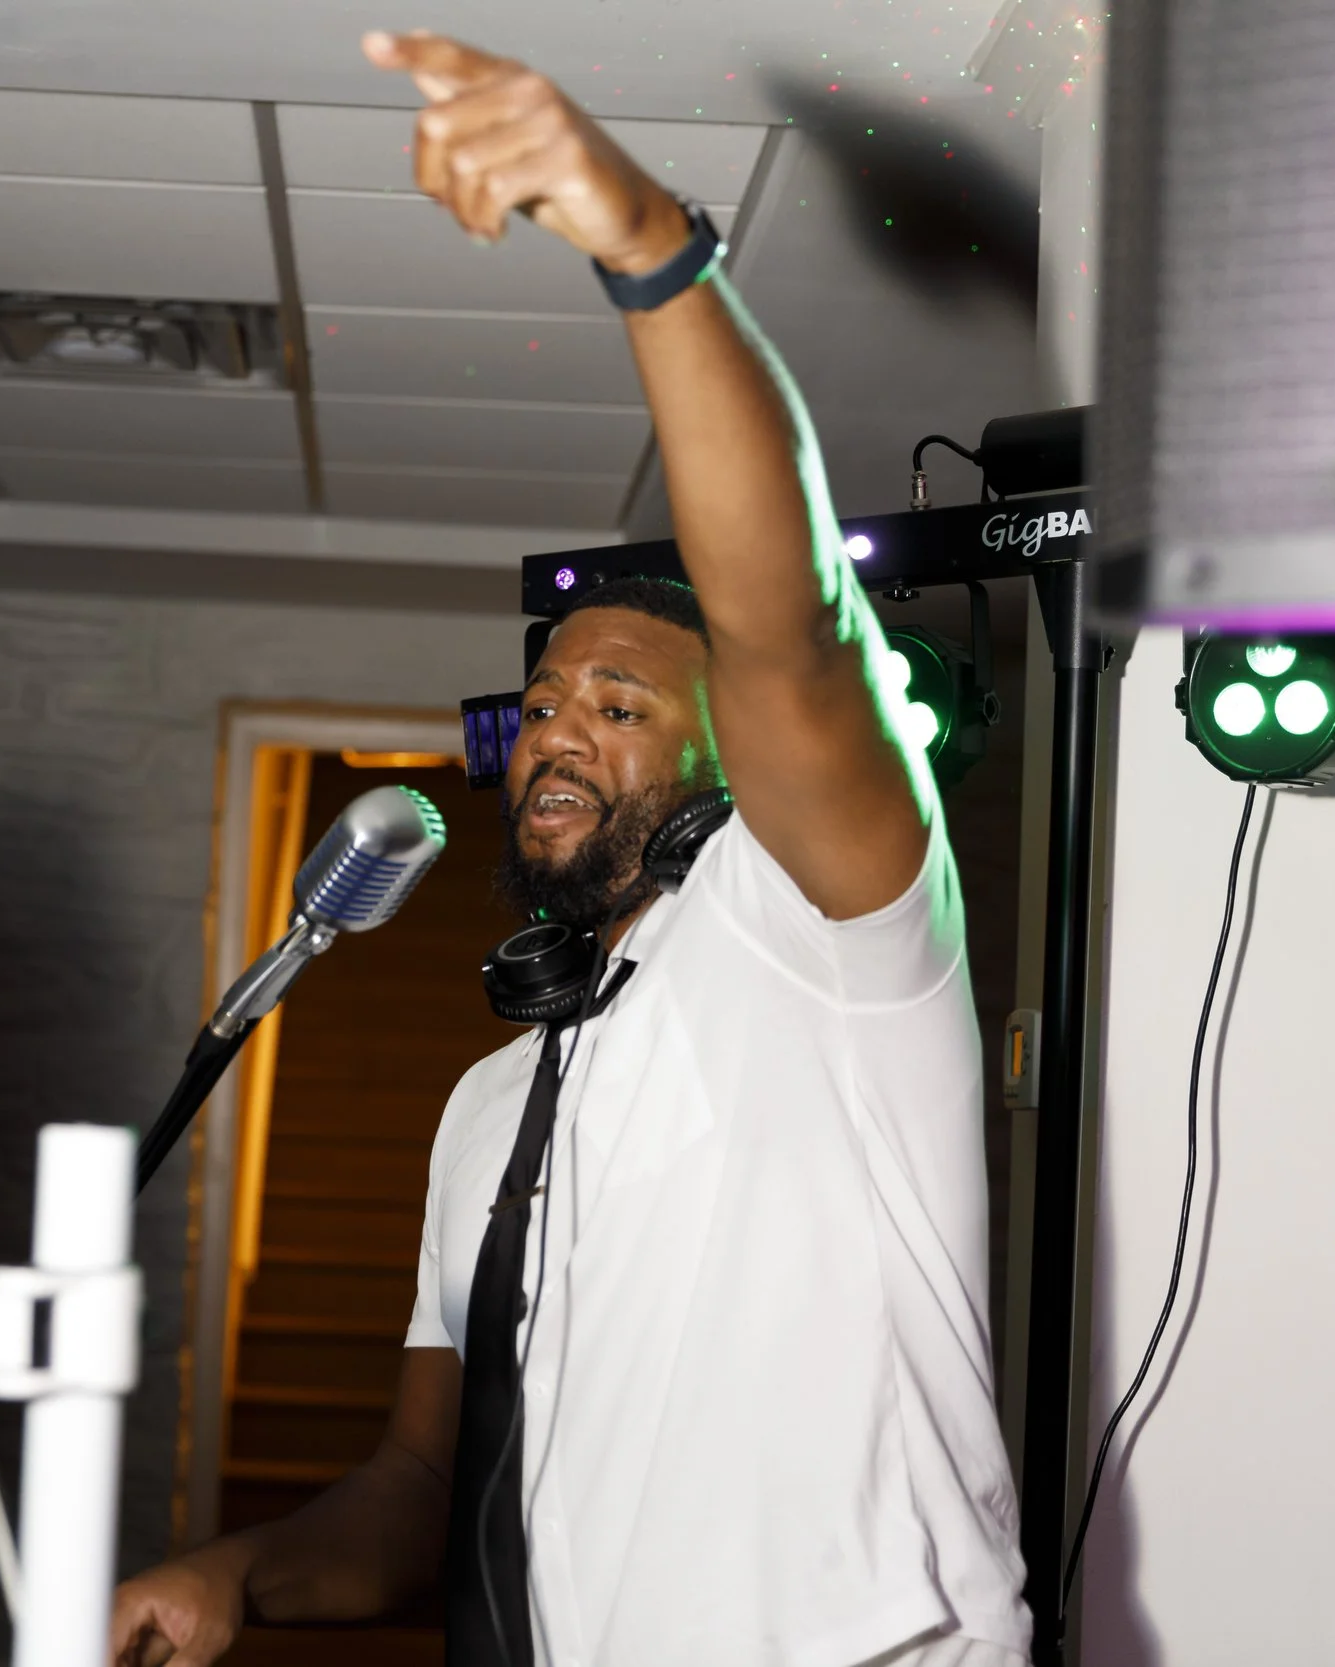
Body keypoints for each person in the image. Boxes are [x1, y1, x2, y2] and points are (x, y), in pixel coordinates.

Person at [109, 29, 1027, 1667]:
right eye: (542, 702)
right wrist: (243, 1569)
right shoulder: (484, 1109)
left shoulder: (819, 929)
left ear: (732, 744)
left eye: (619, 698)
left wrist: (647, 248)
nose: (556, 726)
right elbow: (420, 1478)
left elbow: (792, 624)